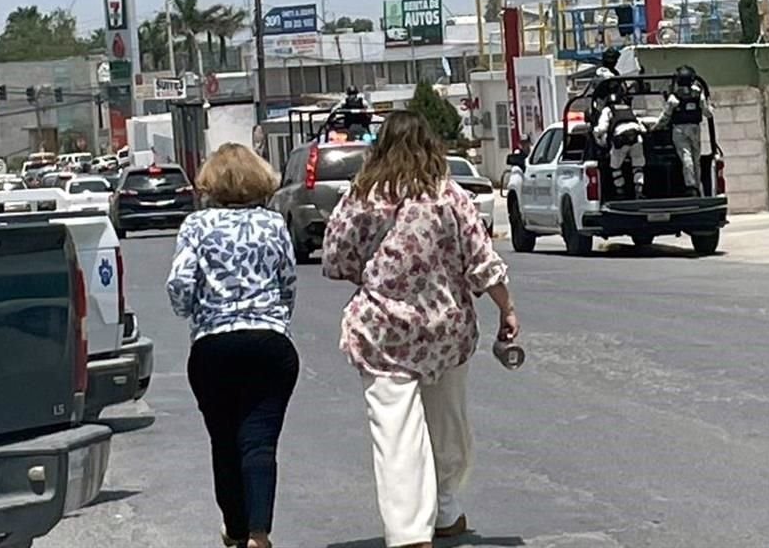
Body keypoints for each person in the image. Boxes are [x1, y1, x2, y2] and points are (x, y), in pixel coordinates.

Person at [322, 111, 520, 548]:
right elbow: (482, 261)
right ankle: (447, 509)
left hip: (383, 332)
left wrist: (373, 273)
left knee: (395, 431)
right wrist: (506, 308)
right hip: (444, 330)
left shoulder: (362, 196)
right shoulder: (450, 195)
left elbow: (336, 257)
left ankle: (410, 532)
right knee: (448, 423)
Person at [166, 143, 299, 548]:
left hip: (214, 346)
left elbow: (180, 287)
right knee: (260, 441)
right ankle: (260, 532)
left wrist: (194, 310)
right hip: (269, 343)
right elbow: (288, 284)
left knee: (224, 441)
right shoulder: (274, 224)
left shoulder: (196, 226)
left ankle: (236, 530)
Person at [658, 65, 720, 197]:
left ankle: (691, 186)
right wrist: (712, 108)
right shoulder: (698, 93)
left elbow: (665, 117)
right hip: (695, 128)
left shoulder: (674, 97)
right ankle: (698, 189)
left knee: (686, 157)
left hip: (679, 130)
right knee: (696, 159)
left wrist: (655, 128)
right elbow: (707, 113)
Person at [592, 87, 647, 200]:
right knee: (638, 165)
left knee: (615, 167)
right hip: (637, 137)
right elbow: (642, 126)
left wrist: (595, 133)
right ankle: (639, 191)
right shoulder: (628, 108)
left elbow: (602, 128)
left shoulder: (608, 110)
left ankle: (620, 191)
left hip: (620, 139)